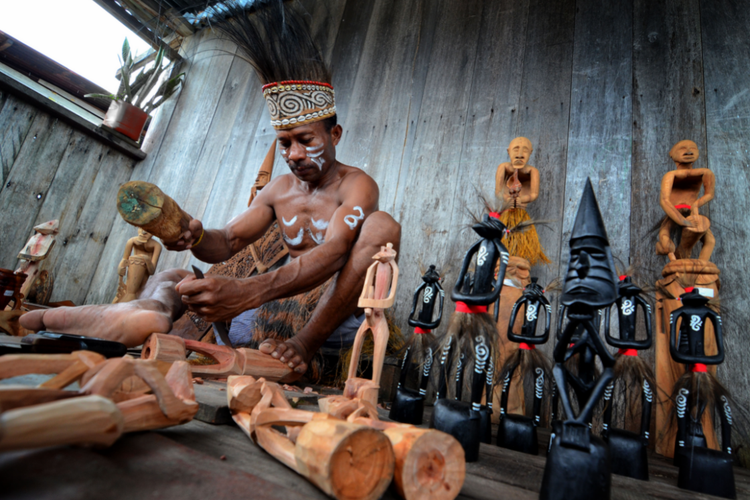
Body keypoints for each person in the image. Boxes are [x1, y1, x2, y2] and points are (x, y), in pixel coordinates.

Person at [20, 0, 401, 378]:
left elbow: (335, 253)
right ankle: (146, 313)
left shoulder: (357, 186)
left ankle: (303, 345)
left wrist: (250, 291)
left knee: (383, 227)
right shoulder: (278, 190)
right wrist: (195, 234)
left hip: (325, 319)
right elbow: (230, 240)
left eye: (305, 139)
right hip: (265, 306)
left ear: (334, 134)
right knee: (174, 279)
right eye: (285, 143)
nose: (295, 153)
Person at [656, 139, 715, 261]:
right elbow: (664, 201)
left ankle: (702, 267)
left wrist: (696, 205)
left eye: (692, 148)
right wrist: (682, 221)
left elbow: (709, 194)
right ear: (672, 154)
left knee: (710, 241)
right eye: (682, 149)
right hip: (674, 213)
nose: (688, 152)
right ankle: (668, 256)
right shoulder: (670, 175)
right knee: (666, 242)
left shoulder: (705, 172)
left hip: (691, 213)